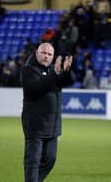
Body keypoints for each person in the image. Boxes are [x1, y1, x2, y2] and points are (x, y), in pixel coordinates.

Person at [21, 43, 75, 182]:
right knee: (33, 162)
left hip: (52, 126)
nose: (46, 56)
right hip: (35, 125)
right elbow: (36, 88)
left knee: (50, 160)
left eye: (50, 54)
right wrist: (54, 74)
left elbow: (68, 81)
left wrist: (67, 70)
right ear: (37, 52)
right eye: (44, 53)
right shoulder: (28, 70)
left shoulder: (53, 70)